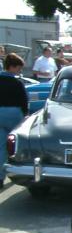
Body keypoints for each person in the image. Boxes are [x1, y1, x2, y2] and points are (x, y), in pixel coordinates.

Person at [0, 53, 29, 189]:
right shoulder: (17, 83)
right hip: (14, 113)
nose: (19, 71)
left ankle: (0, 177)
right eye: (18, 68)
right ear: (12, 67)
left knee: (1, 146)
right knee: (16, 144)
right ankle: (17, 171)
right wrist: (25, 115)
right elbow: (24, 101)